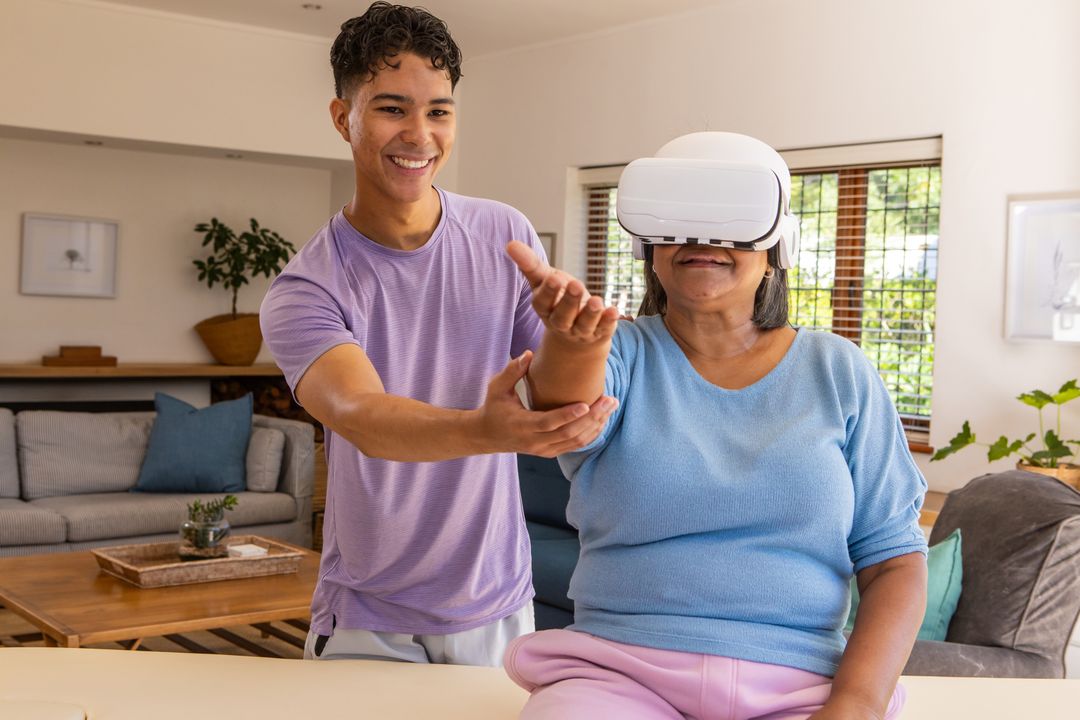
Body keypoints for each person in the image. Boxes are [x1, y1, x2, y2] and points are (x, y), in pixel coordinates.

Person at [502, 132, 929, 719]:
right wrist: (572, 342)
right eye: (677, 222)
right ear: (647, 245)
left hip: (800, 684)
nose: (701, 240)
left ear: (778, 246)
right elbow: (564, 409)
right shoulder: (619, 356)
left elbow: (894, 560)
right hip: (619, 674)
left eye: (730, 220)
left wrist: (854, 705)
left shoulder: (840, 371)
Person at [259, 2, 615, 667]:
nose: (419, 135)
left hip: (496, 599)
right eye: (392, 108)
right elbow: (360, 414)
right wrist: (486, 431)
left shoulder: (501, 234)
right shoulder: (306, 288)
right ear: (345, 118)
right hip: (368, 610)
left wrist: (578, 341)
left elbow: (554, 399)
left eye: (439, 111)